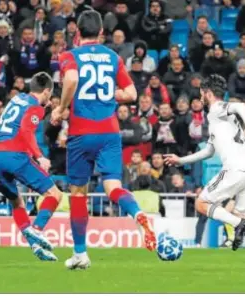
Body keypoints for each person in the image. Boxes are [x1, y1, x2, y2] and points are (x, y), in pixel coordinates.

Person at [52, 10, 156, 270]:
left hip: (81, 132)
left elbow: (73, 79)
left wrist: (62, 107)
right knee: (113, 187)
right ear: (101, 32)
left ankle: (80, 253)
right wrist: (108, 95)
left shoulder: (69, 56)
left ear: (76, 32)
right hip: (109, 132)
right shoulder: (112, 56)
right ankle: (138, 214)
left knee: (77, 193)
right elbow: (131, 93)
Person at [164, 74, 245, 262]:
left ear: (207, 93)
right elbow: (209, 150)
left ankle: (239, 225)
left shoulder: (216, 109)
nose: (200, 96)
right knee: (240, 215)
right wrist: (181, 161)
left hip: (237, 168)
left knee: (202, 203)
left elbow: (239, 106)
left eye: (201, 92)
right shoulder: (220, 121)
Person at [0, 72, 62, 261]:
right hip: (13, 156)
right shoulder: (35, 107)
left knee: (17, 202)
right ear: (46, 91)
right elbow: (26, 130)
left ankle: (35, 246)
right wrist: (40, 157)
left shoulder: (18, 98)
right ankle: (36, 230)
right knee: (55, 194)